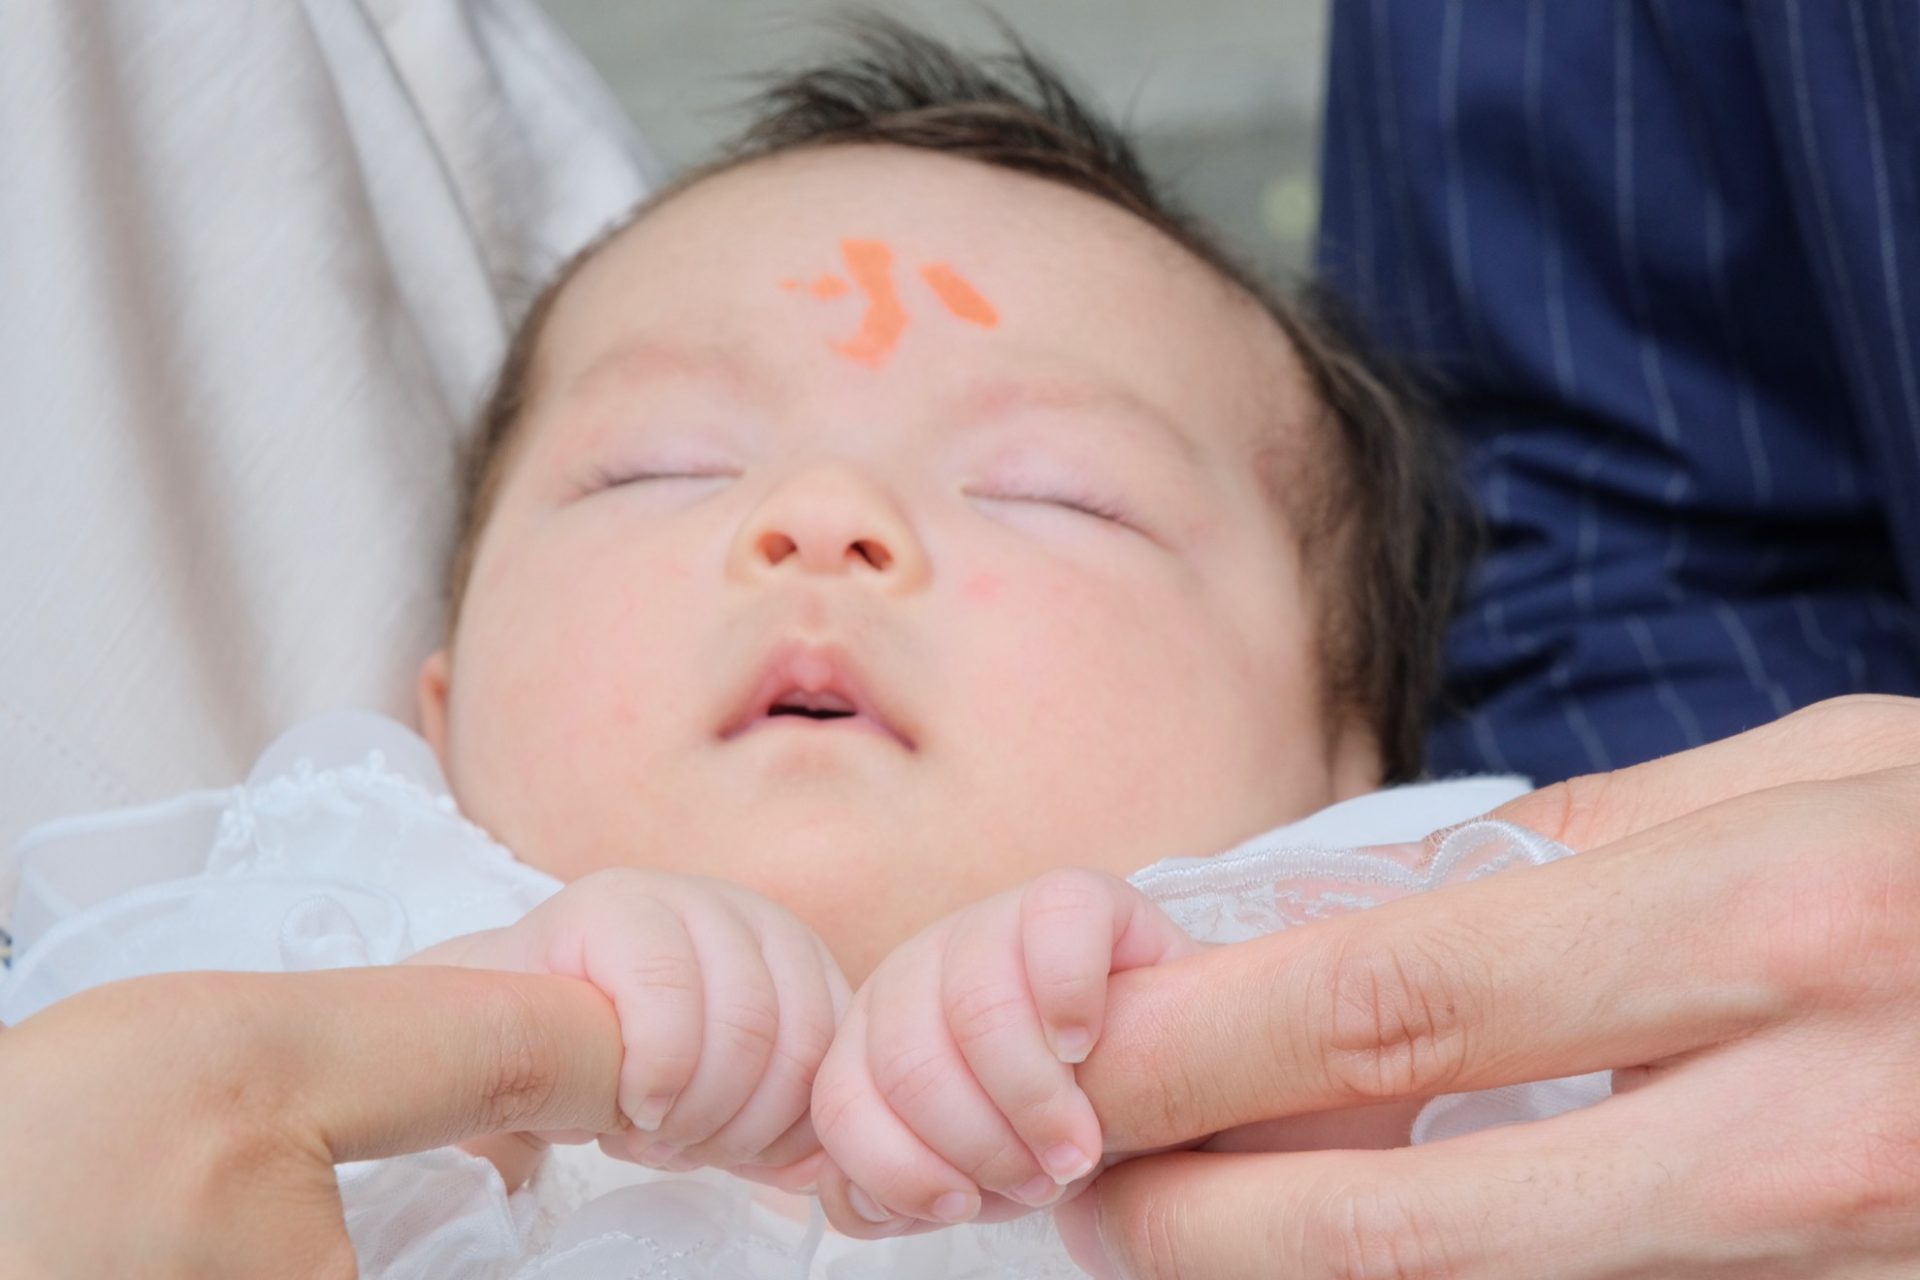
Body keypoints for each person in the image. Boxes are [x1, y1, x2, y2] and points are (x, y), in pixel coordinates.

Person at [1, 17, 1539, 1276]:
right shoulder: (353, 916)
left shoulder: (1409, 977)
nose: (820, 513)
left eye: (1052, 493)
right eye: (657, 467)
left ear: (1356, 759)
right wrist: (480, 1079)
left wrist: (1240, 1074)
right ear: (446, 707)